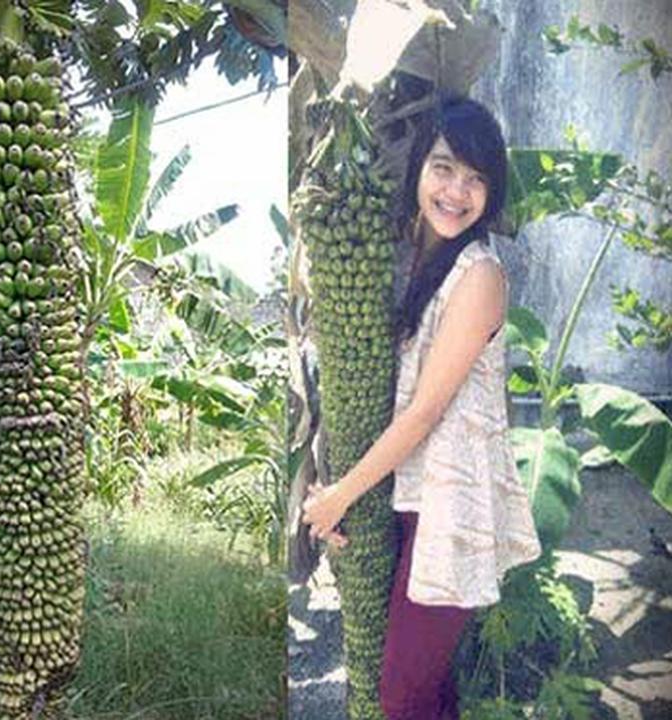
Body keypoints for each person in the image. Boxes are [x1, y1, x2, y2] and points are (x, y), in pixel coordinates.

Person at [302, 97, 541, 719]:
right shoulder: (427, 258)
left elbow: (424, 412)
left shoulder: (480, 274)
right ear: (416, 170)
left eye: (476, 178)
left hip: (454, 513)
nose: (457, 191)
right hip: (421, 498)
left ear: (492, 191)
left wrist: (338, 496)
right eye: (443, 167)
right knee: (430, 690)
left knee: (400, 696)